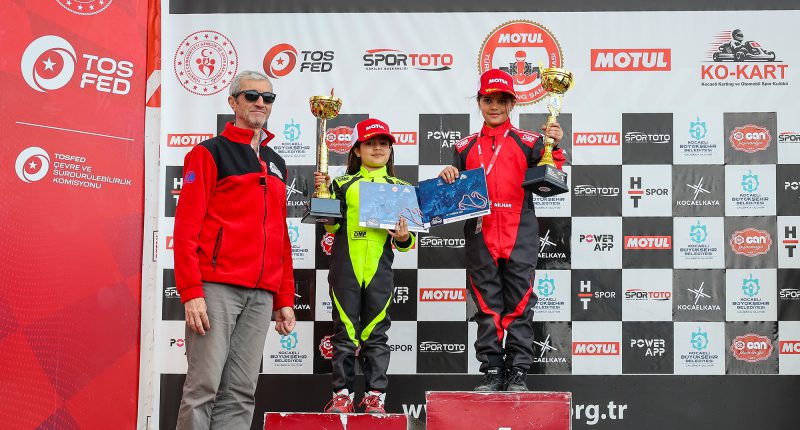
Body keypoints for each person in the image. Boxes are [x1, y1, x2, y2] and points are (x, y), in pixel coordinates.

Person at [173, 70, 296, 429]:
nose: (260, 103)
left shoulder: (277, 162)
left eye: (267, 97)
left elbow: (280, 237)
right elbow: (186, 229)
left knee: (241, 392)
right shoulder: (208, 153)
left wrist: (284, 297)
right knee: (203, 388)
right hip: (216, 288)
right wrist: (191, 292)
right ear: (233, 102)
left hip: (261, 294)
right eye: (251, 96)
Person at [439, 69, 565, 392]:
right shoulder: (464, 147)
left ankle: (518, 371)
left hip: (519, 232)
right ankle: (492, 370)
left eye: (501, 100)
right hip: (480, 234)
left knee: (520, 305)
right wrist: (449, 176)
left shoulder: (530, 142)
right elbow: (455, 196)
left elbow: (552, 172)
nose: (494, 106)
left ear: (512, 104)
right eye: (487, 100)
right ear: (479, 102)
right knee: (486, 306)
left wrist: (554, 146)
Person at [313, 118, 415, 414]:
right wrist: (323, 195)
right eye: (370, 143)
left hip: (379, 269)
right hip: (346, 266)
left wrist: (404, 237)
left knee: (376, 334)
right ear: (357, 150)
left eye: (383, 143)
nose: (378, 148)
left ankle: (375, 396)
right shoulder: (341, 183)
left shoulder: (401, 188)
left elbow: (407, 242)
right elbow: (331, 227)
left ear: (390, 150)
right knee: (345, 332)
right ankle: (342, 395)